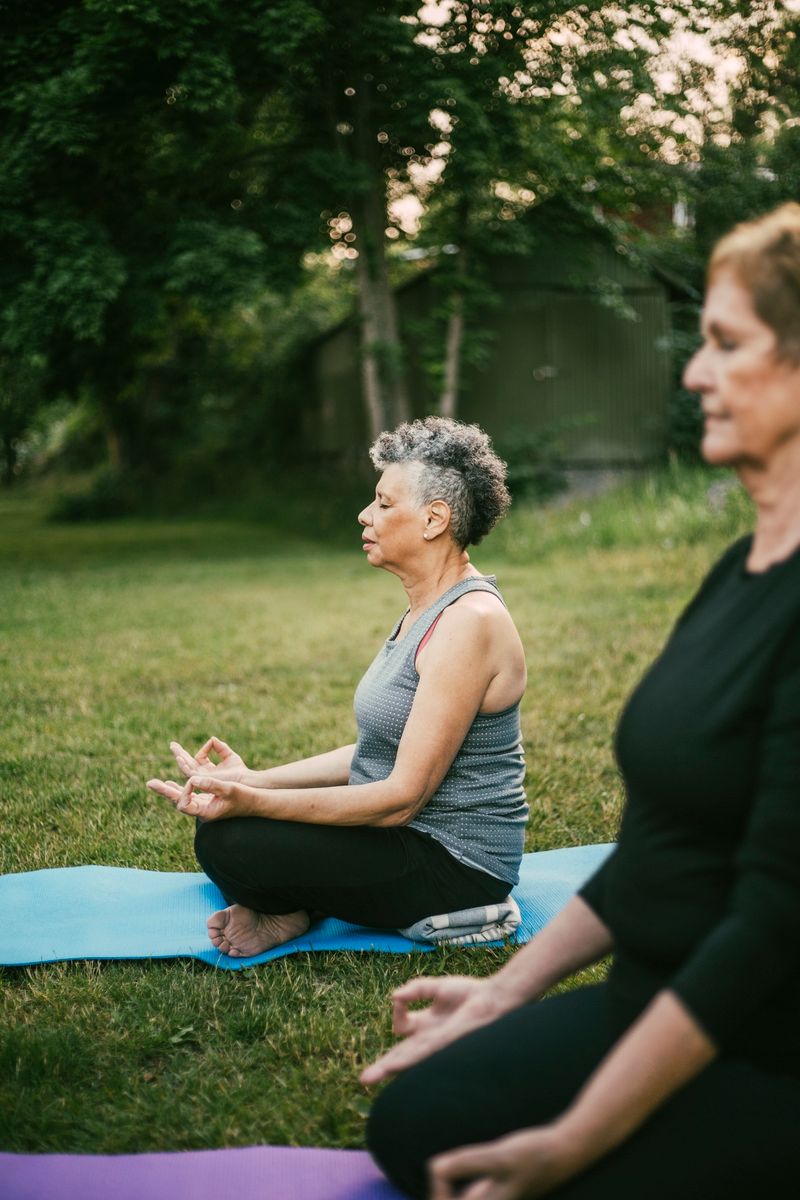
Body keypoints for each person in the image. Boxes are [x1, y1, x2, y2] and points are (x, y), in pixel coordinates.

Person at [362, 203, 800, 1199]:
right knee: (416, 1127)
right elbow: (655, 844)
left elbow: (772, 922)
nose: (691, 374)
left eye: (724, 344)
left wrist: (577, 1140)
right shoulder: (740, 565)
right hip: (648, 992)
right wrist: (501, 995)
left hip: (761, 1041)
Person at [147, 417, 528, 958]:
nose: (365, 515)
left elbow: (401, 798)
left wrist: (253, 802)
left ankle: (301, 909)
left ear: (434, 519)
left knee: (230, 840)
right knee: (230, 833)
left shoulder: (471, 622)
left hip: (455, 864)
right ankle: (294, 911)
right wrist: (256, 780)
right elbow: (378, 751)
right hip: (403, 838)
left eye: (383, 503)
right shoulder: (426, 609)